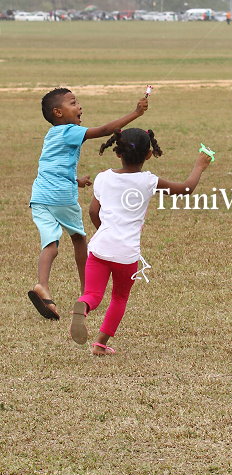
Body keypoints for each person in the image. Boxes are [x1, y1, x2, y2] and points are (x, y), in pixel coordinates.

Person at [69, 128, 213, 355]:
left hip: (100, 248)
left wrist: (105, 231)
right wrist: (199, 166)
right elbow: (185, 189)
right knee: (119, 297)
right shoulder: (148, 181)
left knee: (93, 294)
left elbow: (93, 211)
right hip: (126, 254)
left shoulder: (103, 177)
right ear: (149, 154)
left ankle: (84, 306)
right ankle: (100, 344)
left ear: (118, 152)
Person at [29, 88, 149, 321]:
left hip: (40, 195)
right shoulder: (69, 131)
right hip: (61, 196)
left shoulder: (51, 134)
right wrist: (135, 113)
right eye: (73, 103)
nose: (79, 107)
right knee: (78, 238)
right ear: (58, 112)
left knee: (50, 244)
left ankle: (42, 285)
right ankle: (87, 291)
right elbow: (104, 130)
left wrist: (76, 180)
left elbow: (52, 167)